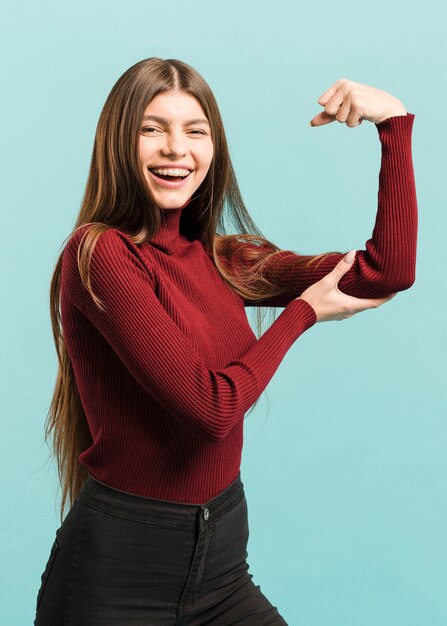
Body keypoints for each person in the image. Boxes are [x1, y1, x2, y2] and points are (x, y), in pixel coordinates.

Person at [34, 58, 417, 625]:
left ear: (214, 148)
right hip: (116, 579)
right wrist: (303, 313)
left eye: (195, 131)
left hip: (220, 567)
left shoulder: (224, 257)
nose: (175, 149)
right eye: (152, 129)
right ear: (119, 142)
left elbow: (386, 272)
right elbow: (211, 408)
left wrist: (394, 124)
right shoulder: (101, 256)